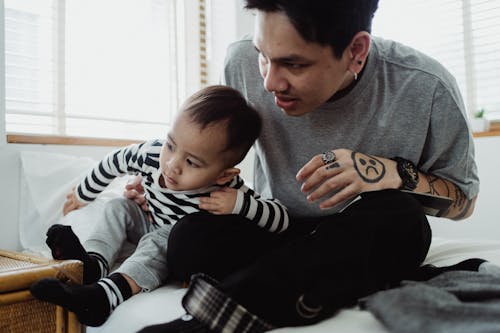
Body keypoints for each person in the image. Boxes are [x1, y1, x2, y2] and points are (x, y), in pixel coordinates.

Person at [136, 1, 480, 332]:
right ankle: (306, 287)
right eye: (263, 56)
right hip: (278, 230)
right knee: (186, 240)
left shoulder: (426, 86)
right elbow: (219, 158)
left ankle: (222, 311)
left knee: (401, 216)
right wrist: (159, 186)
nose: (270, 82)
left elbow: (462, 203)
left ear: (356, 52)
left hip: (361, 233)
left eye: (294, 65)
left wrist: (390, 172)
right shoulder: (240, 61)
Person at [29, 85, 290, 327]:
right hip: (148, 220)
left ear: (223, 174)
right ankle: (92, 264)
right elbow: (112, 163)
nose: (172, 164)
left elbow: (281, 219)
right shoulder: (151, 155)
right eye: (171, 145)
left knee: (157, 242)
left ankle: (104, 296)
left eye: (192, 162)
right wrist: (84, 193)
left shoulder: (226, 188)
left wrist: (240, 204)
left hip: (172, 240)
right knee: (117, 208)